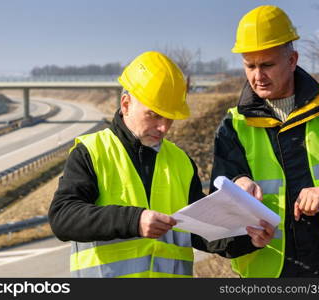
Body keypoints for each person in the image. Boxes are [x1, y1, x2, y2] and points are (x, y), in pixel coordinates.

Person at [210, 5, 319, 278]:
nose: (258, 76)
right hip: (270, 275)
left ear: (292, 60)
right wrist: (239, 184)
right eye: (250, 66)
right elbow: (219, 231)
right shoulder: (234, 126)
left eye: (267, 64)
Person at [49, 51, 211, 278]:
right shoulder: (92, 152)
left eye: (169, 118)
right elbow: (63, 217)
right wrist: (134, 221)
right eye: (154, 115)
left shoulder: (181, 162)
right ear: (126, 104)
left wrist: (245, 239)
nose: (164, 128)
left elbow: (202, 231)